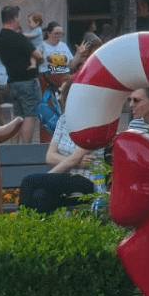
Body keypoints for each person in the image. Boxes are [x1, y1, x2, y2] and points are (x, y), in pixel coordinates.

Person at [19, 84, 99, 213]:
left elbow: (73, 159)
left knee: (29, 181)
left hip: (87, 182)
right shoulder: (63, 120)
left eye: (61, 94)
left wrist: (47, 177)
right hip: (63, 180)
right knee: (40, 195)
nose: (59, 98)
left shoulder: (94, 123)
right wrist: (78, 163)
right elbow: (50, 157)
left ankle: (19, 225)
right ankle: (38, 230)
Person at [0, 5, 43, 143]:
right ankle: (25, 149)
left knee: (17, 116)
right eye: (19, 18)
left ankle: (14, 148)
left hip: (12, 82)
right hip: (27, 81)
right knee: (30, 116)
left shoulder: (0, 39)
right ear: (15, 19)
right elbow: (36, 54)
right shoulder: (19, 38)